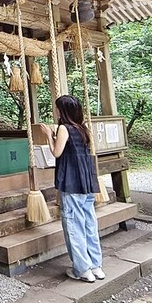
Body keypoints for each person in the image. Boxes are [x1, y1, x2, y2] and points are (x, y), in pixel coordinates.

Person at [41, 95, 104, 283]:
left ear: (63, 111)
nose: (56, 112)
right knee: (89, 224)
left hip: (71, 182)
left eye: (58, 109)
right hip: (86, 183)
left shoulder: (64, 128)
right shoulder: (82, 128)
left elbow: (56, 152)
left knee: (73, 226)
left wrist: (47, 136)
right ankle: (96, 266)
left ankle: (82, 269)